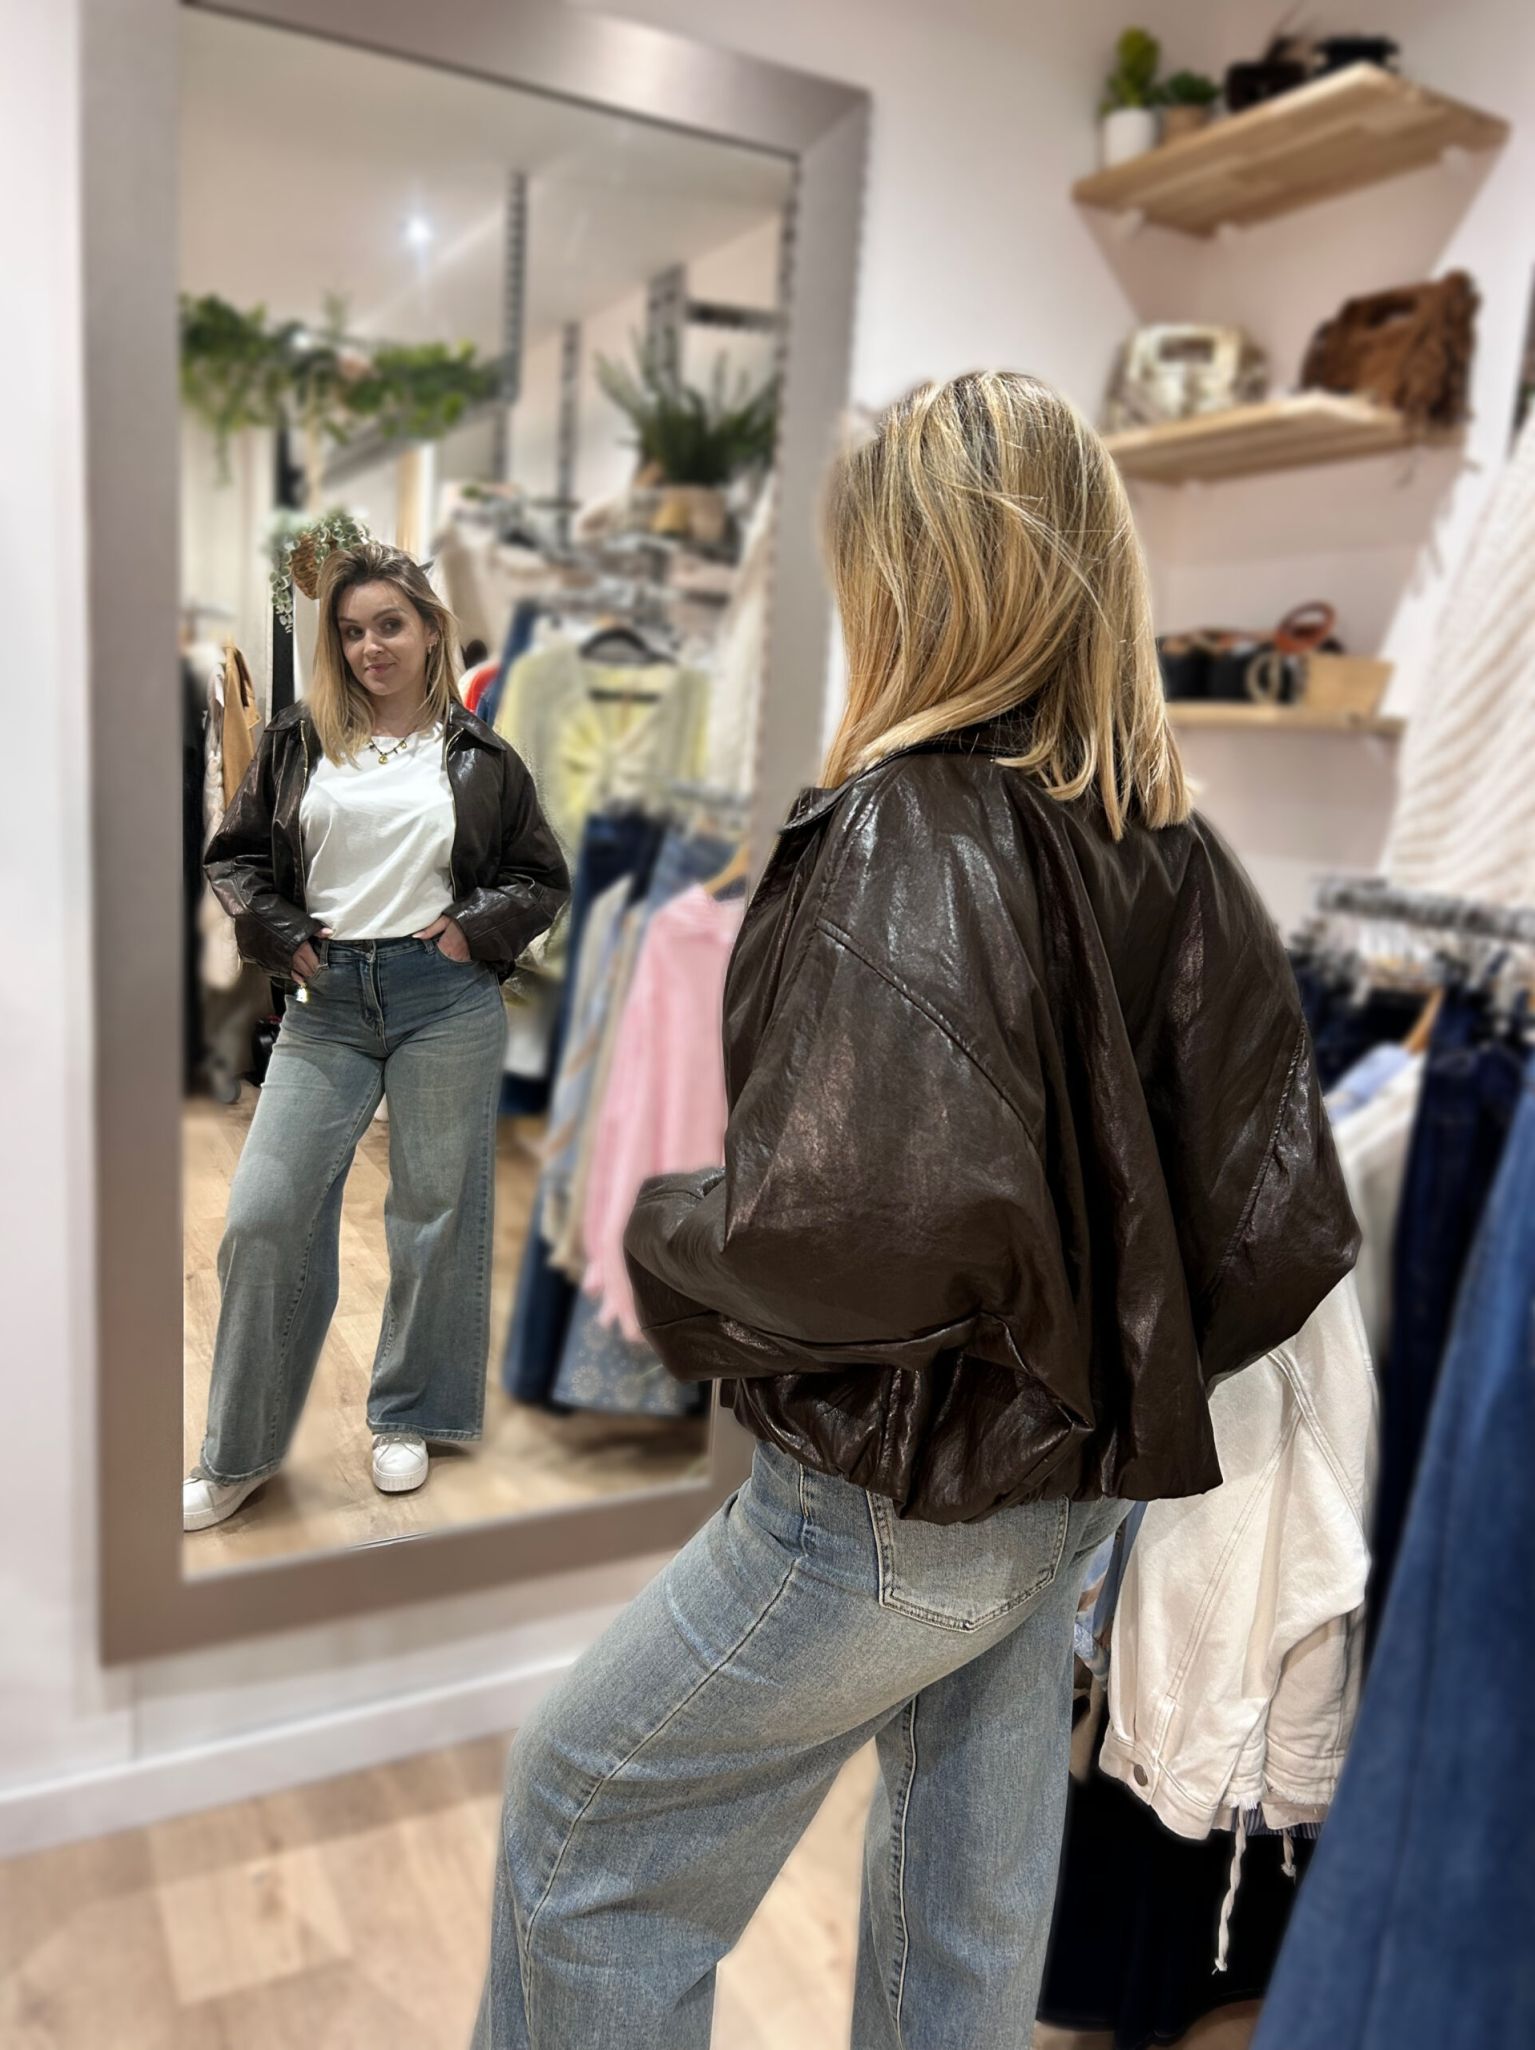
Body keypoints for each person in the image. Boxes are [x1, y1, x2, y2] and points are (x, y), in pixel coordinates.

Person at [469, 372, 1361, 2048]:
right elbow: (1278, 1218)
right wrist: (1092, 1361)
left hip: (888, 1508)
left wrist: (666, 1231)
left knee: (587, 1819)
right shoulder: (1163, 844)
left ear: (917, 583)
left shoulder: (906, 829)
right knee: (965, 1904)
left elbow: (854, 1238)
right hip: (1062, 1494)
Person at [184, 541, 568, 1531]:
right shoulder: (297, 740)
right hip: (326, 1002)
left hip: (443, 995)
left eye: (389, 625)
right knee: (264, 1215)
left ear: (431, 628)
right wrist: (284, 938)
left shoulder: (482, 754)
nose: (369, 647)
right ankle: (238, 1450)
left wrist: (469, 929)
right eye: (352, 631)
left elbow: (539, 877)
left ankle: (412, 1412)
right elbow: (234, 859)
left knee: (435, 1211)